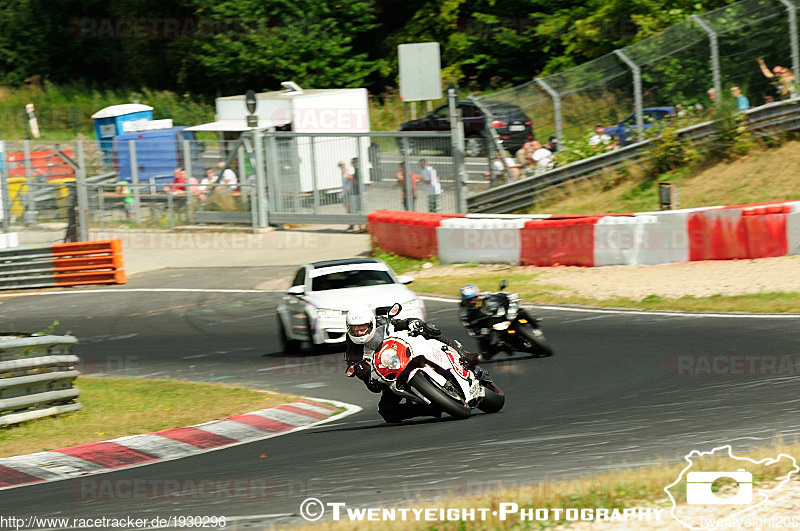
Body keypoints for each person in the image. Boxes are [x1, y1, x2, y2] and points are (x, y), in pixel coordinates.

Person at [343, 305, 480, 424]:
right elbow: (371, 385)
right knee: (387, 412)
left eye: (362, 329)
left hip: (406, 352)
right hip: (391, 372)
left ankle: (462, 354)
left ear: (371, 324)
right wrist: (363, 373)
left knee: (428, 329)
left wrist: (412, 323)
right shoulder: (352, 346)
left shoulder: (381, 322)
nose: (358, 333)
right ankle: (433, 408)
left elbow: (400, 323)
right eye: (354, 330)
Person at [339, 161, 357, 232]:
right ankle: (350, 225)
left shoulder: (347, 173)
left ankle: (352, 226)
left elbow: (353, 179)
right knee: (347, 209)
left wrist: (351, 188)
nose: (341, 167)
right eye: (340, 166)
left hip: (349, 193)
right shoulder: (343, 174)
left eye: (342, 165)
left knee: (350, 210)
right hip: (345, 193)